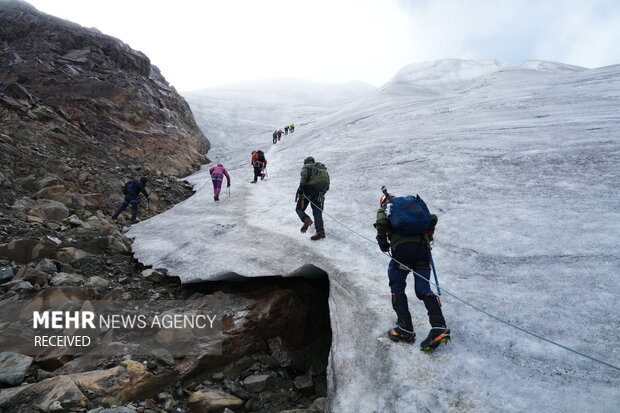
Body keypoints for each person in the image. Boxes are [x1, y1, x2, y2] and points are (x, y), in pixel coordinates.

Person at [374, 193, 450, 350]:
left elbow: (381, 222)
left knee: (397, 286)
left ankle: (405, 328)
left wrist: (382, 241)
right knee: (424, 289)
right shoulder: (413, 209)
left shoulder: (386, 208)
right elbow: (433, 218)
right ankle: (439, 326)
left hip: (403, 251)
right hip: (423, 250)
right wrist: (428, 236)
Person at [295, 156, 329, 241]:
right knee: (317, 212)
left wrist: (301, 187)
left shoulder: (307, 166)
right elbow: (327, 184)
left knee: (299, 209)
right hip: (319, 193)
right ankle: (320, 232)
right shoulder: (321, 168)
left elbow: (304, 175)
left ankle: (306, 219)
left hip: (308, 191)